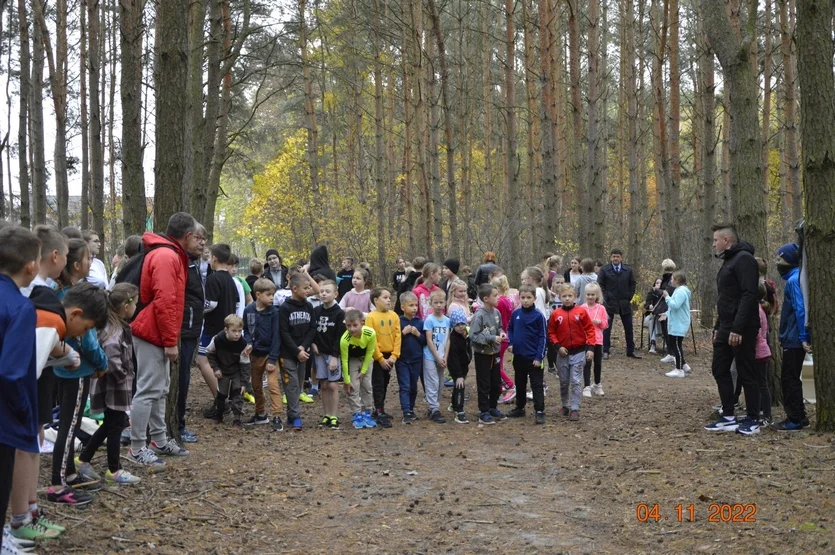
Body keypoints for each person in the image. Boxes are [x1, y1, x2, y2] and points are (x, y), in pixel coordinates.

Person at [128, 212, 196, 467]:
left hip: (157, 331)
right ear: (187, 236)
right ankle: (137, 448)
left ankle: (158, 439)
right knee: (147, 390)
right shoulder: (167, 256)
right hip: (152, 332)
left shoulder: (168, 253)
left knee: (160, 388)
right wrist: (170, 341)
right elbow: (166, 301)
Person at [51, 248, 109, 503]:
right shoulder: (78, 303)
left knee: (68, 424)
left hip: (64, 371)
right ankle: (59, 483)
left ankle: (70, 474)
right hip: (77, 374)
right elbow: (89, 343)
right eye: (88, 258)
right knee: (69, 426)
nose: (91, 262)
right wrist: (102, 363)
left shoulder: (67, 294)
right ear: (75, 264)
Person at [77, 284, 142, 486]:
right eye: (135, 304)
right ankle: (114, 470)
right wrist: (122, 377)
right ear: (125, 306)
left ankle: (83, 459)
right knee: (115, 427)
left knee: (112, 425)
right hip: (115, 387)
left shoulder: (114, 325)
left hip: (114, 387)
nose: (136, 308)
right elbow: (112, 355)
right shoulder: (114, 331)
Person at [0, 227, 41, 543]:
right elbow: (12, 374)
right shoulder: (21, 308)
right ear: (31, 266)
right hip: (5, 420)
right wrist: (25, 411)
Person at [703, 224, 762, 435]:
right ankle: (728, 415)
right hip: (726, 326)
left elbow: (748, 295)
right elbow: (725, 298)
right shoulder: (729, 261)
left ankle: (754, 418)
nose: (713, 244)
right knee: (719, 368)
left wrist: (738, 328)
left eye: (715, 240)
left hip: (743, 326)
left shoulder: (744, 259)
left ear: (726, 240)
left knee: (746, 372)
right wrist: (718, 327)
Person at [772, 243, 811, 432]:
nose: (777, 263)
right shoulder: (796, 278)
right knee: (792, 378)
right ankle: (800, 416)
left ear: (789, 259)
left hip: (794, 339)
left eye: (780, 259)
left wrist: (803, 337)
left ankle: (794, 419)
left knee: (789, 379)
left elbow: (800, 309)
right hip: (793, 337)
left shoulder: (795, 280)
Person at [197, 244, 240, 414]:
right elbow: (236, 302)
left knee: (203, 360)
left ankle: (221, 400)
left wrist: (198, 308)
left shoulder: (214, 279)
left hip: (213, 328)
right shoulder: (231, 279)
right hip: (225, 328)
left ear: (214, 258)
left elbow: (211, 303)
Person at [177, 224, 207, 444]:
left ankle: (178, 424)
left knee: (184, 377)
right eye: (198, 238)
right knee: (180, 380)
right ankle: (177, 426)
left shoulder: (193, 264)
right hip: (182, 333)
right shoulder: (181, 263)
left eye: (204, 239)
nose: (202, 243)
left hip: (191, 331)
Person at [548, 284, 596, 421]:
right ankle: (565, 405)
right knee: (564, 381)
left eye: (570, 296)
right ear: (560, 297)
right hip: (562, 353)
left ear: (575, 297)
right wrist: (558, 346)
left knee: (575, 380)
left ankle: (575, 407)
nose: (567, 299)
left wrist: (591, 348)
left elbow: (590, 330)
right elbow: (551, 332)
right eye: (564, 296)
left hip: (579, 352)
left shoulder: (581, 312)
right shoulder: (556, 314)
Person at [243, 278, 283, 431]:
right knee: (256, 386)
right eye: (269, 295)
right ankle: (260, 414)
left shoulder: (274, 312)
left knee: (273, 385)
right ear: (258, 295)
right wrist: (249, 343)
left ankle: (277, 416)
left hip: (270, 354)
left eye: (273, 294)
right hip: (255, 354)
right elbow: (246, 330)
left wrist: (273, 358)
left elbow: (276, 337)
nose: (272, 298)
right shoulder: (249, 310)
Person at [279, 273, 317, 431]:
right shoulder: (285, 308)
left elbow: (312, 328)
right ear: (294, 289)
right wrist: (296, 350)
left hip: (303, 353)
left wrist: (303, 347)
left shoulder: (309, 306)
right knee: (292, 384)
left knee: (299, 384)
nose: (309, 290)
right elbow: (283, 332)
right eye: (305, 287)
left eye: (309, 287)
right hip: (287, 354)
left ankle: (291, 415)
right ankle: (296, 417)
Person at [506, 285, 548, 425]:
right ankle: (520, 407)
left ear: (534, 298)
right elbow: (510, 329)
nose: (525, 301)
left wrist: (539, 357)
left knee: (536, 385)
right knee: (520, 383)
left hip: (533, 358)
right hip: (519, 356)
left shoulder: (538, 316)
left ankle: (539, 410)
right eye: (523, 298)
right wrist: (510, 343)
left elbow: (543, 337)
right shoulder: (516, 314)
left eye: (528, 298)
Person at [470, 283, 507, 425]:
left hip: (495, 353)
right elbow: (473, 336)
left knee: (496, 382)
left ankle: (492, 407)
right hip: (483, 355)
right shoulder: (479, 315)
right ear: (486, 298)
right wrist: (492, 338)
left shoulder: (496, 312)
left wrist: (501, 333)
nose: (498, 298)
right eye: (495, 295)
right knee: (484, 382)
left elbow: (499, 328)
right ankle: (483, 411)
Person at [312, 280, 345, 429]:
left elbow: (340, 336)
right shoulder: (316, 311)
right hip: (319, 353)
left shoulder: (339, 313)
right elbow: (312, 330)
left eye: (327, 291)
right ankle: (326, 415)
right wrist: (312, 344)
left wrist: (334, 356)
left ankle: (334, 416)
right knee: (324, 385)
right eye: (321, 291)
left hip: (333, 355)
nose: (324, 294)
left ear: (335, 294)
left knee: (333, 385)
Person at [206, 315, 250, 428]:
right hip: (223, 370)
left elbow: (245, 364)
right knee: (222, 394)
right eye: (234, 331)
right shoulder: (217, 340)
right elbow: (210, 353)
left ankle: (237, 418)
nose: (237, 334)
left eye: (239, 331)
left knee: (238, 392)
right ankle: (219, 414)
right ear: (226, 330)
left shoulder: (242, 344)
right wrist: (215, 368)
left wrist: (244, 383)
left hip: (236, 371)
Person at [597, 248, 641, 360]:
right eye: (614, 256)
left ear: (621, 257)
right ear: (611, 257)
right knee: (607, 327)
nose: (615, 258)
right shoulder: (605, 269)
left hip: (624, 302)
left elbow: (633, 284)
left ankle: (630, 350)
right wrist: (606, 296)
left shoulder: (628, 270)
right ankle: (605, 350)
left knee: (629, 327)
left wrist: (629, 296)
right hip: (609, 303)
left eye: (617, 256)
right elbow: (600, 284)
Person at [367, 287, 401, 428]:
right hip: (377, 358)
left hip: (390, 357)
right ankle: (379, 411)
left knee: (385, 382)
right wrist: (380, 359)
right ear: (376, 300)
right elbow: (371, 339)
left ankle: (380, 408)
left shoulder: (394, 316)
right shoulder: (371, 317)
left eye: (389, 297)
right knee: (378, 384)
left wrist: (394, 356)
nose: (389, 300)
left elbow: (398, 337)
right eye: (385, 297)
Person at [340, 308, 378, 429]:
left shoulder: (370, 333)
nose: (352, 329)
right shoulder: (345, 340)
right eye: (348, 326)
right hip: (352, 360)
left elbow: (370, 352)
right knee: (353, 386)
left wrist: (363, 371)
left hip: (365, 360)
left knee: (367, 385)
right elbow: (344, 360)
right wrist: (346, 380)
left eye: (355, 325)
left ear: (362, 323)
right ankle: (357, 413)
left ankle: (367, 412)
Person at [422, 289, 451, 424]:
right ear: (431, 304)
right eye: (436, 303)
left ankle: (434, 405)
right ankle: (434, 409)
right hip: (430, 356)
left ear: (445, 303)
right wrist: (437, 357)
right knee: (432, 382)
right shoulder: (429, 320)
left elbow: (448, 340)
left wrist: (444, 357)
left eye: (441, 302)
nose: (439, 305)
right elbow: (429, 340)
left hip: (442, 356)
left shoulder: (447, 320)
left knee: (440, 383)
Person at [398, 292, 425, 424]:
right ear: (403, 307)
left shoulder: (420, 322)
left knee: (413, 386)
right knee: (405, 386)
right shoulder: (398, 322)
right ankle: (406, 411)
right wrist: (403, 333)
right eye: (411, 305)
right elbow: (394, 340)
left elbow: (425, 341)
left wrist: (417, 334)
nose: (414, 308)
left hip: (416, 359)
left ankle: (411, 408)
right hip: (402, 359)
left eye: (416, 305)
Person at [491, 276, 516, 404]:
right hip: (505, 336)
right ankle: (499, 392)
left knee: (495, 366)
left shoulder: (499, 302)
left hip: (500, 337)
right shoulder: (507, 300)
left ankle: (510, 385)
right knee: (498, 364)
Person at [662, 271, 692, 379]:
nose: (671, 281)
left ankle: (679, 369)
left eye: (672, 279)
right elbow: (673, 309)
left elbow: (675, 305)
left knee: (676, 345)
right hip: (676, 321)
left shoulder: (681, 292)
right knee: (674, 343)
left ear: (677, 280)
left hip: (679, 323)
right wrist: (665, 314)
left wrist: (666, 297)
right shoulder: (679, 291)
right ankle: (684, 365)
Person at [581, 283, 609, 397]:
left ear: (597, 295)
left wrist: (600, 322)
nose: (590, 297)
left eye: (593, 294)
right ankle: (586, 386)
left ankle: (597, 384)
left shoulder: (601, 308)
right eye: (588, 294)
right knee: (587, 363)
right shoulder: (582, 308)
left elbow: (606, 324)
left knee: (598, 363)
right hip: (585, 340)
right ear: (585, 295)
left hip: (598, 340)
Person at [447, 309, 472, 424]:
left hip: (464, 365)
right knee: (460, 386)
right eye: (457, 324)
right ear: (453, 325)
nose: (461, 327)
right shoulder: (453, 339)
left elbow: (468, 350)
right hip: (456, 367)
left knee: (458, 387)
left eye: (462, 323)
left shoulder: (465, 336)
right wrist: (458, 375)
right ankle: (459, 410)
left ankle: (453, 404)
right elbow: (454, 358)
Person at [754, 283, 773, 425]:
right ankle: (760, 411)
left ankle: (767, 416)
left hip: (759, 352)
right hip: (761, 351)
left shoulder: (757, 310)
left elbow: (756, 332)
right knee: (759, 383)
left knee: (762, 384)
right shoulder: (760, 308)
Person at [644, 278, 664, 354]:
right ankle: (655, 340)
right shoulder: (651, 293)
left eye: (660, 283)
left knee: (654, 321)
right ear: (654, 284)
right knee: (651, 320)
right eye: (657, 283)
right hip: (650, 316)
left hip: (661, 317)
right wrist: (649, 306)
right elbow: (646, 304)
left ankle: (653, 343)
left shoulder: (665, 294)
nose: (658, 285)